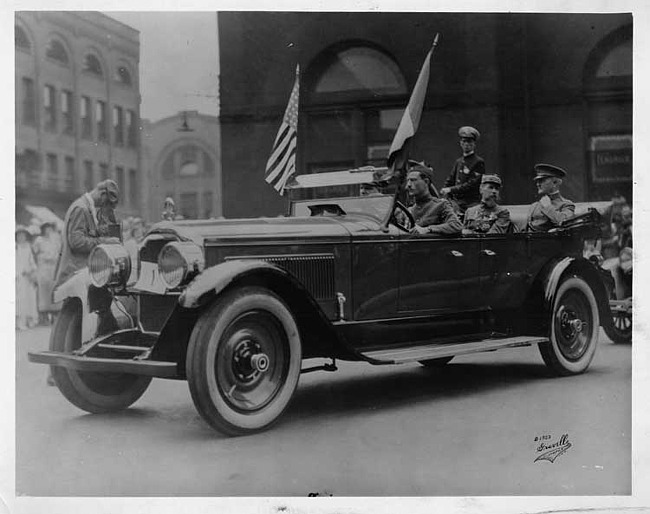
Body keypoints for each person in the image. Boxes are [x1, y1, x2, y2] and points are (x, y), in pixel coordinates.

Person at [54, 179, 121, 289]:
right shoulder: (81, 208)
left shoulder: (87, 207)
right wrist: (105, 241)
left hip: (79, 272)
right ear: (102, 194)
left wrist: (100, 231)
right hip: (74, 273)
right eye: (106, 203)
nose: (103, 206)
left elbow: (85, 233)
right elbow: (77, 242)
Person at [405, 162, 462, 235]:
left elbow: (457, 225)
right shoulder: (410, 210)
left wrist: (428, 229)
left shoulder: (440, 205)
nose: (408, 185)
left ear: (426, 182)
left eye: (413, 180)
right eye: (408, 180)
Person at [440, 126, 486, 214]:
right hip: (456, 202)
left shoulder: (478, 162)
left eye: (470, 141)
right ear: (460, 143)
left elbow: (472, 184)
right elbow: (451, 179)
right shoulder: (459, 161)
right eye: (464, 141)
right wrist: (444, 190)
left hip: (471, 203)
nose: (467, 144)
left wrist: (451, 189)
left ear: (474, 144)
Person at [526, 163, 575, 232]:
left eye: (542, 180)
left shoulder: (566, 204)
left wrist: (548, 207)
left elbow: (566, 223)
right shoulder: (534, 206)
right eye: (537, 181)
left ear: (555, 183)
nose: (538, 184)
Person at [32, 222, 62, 324]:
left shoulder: (55, 240)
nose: (48, 231)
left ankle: (55, 315)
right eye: (46, 228)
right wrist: (42, 258)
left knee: (53, 290)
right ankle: (43, 317)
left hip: (53, 268)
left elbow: (58, 252)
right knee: (43, 292)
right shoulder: (39, 240)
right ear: (43, 229)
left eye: (50, 228)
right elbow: (34, 253)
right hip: (43, 267)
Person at [16, 226, 38, 330]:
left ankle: (30, 320)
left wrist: (32, 270)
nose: (21, 237)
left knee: (30, 298)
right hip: (18, 276)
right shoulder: (15, 247)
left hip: (27, 277)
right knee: (20, 299)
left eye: (23, 235)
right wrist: (19, 271)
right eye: (19, 235)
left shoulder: (29, 247)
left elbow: (32, 262)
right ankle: (20, 322)